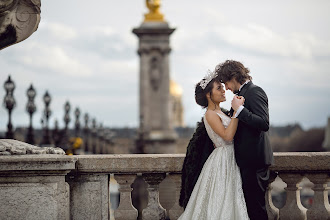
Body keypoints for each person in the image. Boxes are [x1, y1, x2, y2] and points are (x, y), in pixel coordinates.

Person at [178, 70, 249, 220]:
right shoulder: (210, 114)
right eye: (219, 88)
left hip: (230, 157)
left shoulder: (221, 112)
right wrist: (237, 111)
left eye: (223, 87)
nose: (224, 91)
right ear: (208, 95)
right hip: (222, 160)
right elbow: (228, 136)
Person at [215, 60, 274, 220]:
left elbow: (264, 123)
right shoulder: (243, 94)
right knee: (250, 209)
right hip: (248, 162)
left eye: (226, 83)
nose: (226, 88)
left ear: (233, 77)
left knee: (256, 210)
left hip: (255, 162)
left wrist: (239, 109)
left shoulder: (255, 91)